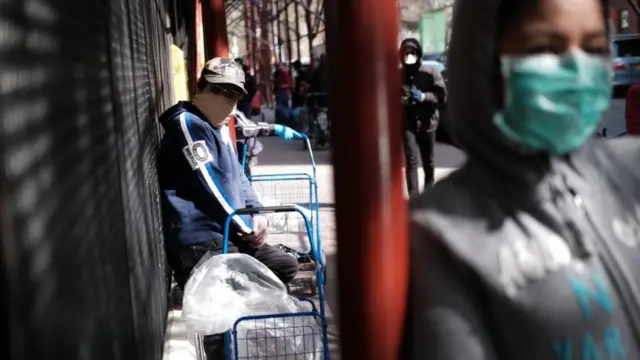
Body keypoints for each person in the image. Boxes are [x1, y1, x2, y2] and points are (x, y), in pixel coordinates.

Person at [403, 0, 640, 358]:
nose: (577, 68)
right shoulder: (438, 236)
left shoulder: (629, 171)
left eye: (593, 48)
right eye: (544, 47)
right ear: (483, 59)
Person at [157, 57, 300, 359]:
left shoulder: (215, 127)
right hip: (200, 240)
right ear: (202, 86)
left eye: (233, 95)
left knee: (284, 265)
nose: (227, 101)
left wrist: (256, 214)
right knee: (219, 324)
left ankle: (239, 318)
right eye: (219, 91)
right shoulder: (188, 124)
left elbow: (238, 178)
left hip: (227, 232)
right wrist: (244, 227)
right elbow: (208, 182)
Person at [400, 38, 447, 195]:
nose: (409, 56)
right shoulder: (399, 74)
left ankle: (429, 195)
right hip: (408, 123)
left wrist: (423, 97)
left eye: (412, 53)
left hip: (428, 124)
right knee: (411, 161)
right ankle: (413, 199)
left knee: (429, 162)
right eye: (405, 53)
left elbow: (442, 97)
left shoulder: (431, 72)